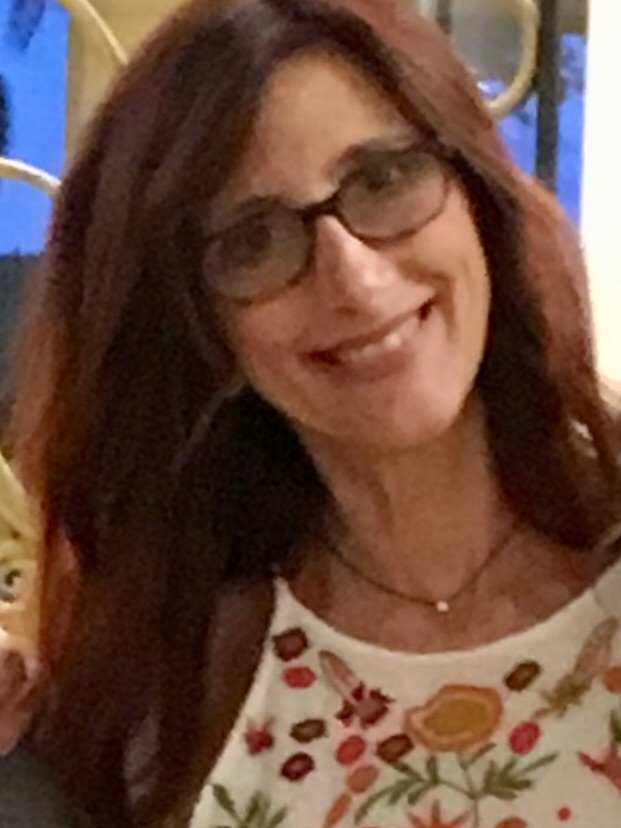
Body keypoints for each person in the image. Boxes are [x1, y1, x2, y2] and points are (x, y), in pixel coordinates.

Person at [1, 0, 621, 825]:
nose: (354, 280)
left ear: (475, 194)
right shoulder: (164, 682)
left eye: (381, 179)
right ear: (197, 326)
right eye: (253, 239)